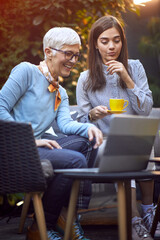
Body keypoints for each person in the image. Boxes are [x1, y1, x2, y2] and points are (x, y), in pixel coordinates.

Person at [0, 27, 103, 240]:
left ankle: (65, 216)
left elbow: (65, 124)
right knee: (74, 161)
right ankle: (43, 225)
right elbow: (0, 106)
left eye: (76, 55)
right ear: (48, 52)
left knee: (86, 142)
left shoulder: (60, 91)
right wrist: (29, 140)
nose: (73, 60)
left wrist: (89, 127)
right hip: (15, 149)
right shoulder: (26, 71)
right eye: (68, 54)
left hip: (34, 147)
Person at [76, 15, 159, 240]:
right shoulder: (85, 79)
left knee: (139, 139)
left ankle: (148, 211)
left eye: (117, 40)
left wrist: (126, 77)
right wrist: (92, 114)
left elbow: (145, 110)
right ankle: (134, 220)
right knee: (127, 147)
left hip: (136, 137)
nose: (111, 46)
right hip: (104, 141)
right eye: (104, 41)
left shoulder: (135, 67)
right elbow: (80, 123)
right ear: (95, 43)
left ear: (123, 41)